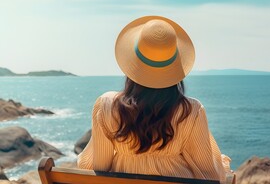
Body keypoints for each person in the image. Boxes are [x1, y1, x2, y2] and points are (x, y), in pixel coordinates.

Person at [77, 16, 232, 183]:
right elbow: (207, 173)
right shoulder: (191, 111)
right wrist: (222, 165)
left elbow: (97, 167)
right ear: (175, 68)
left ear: (132, 64)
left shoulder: (106, 105)